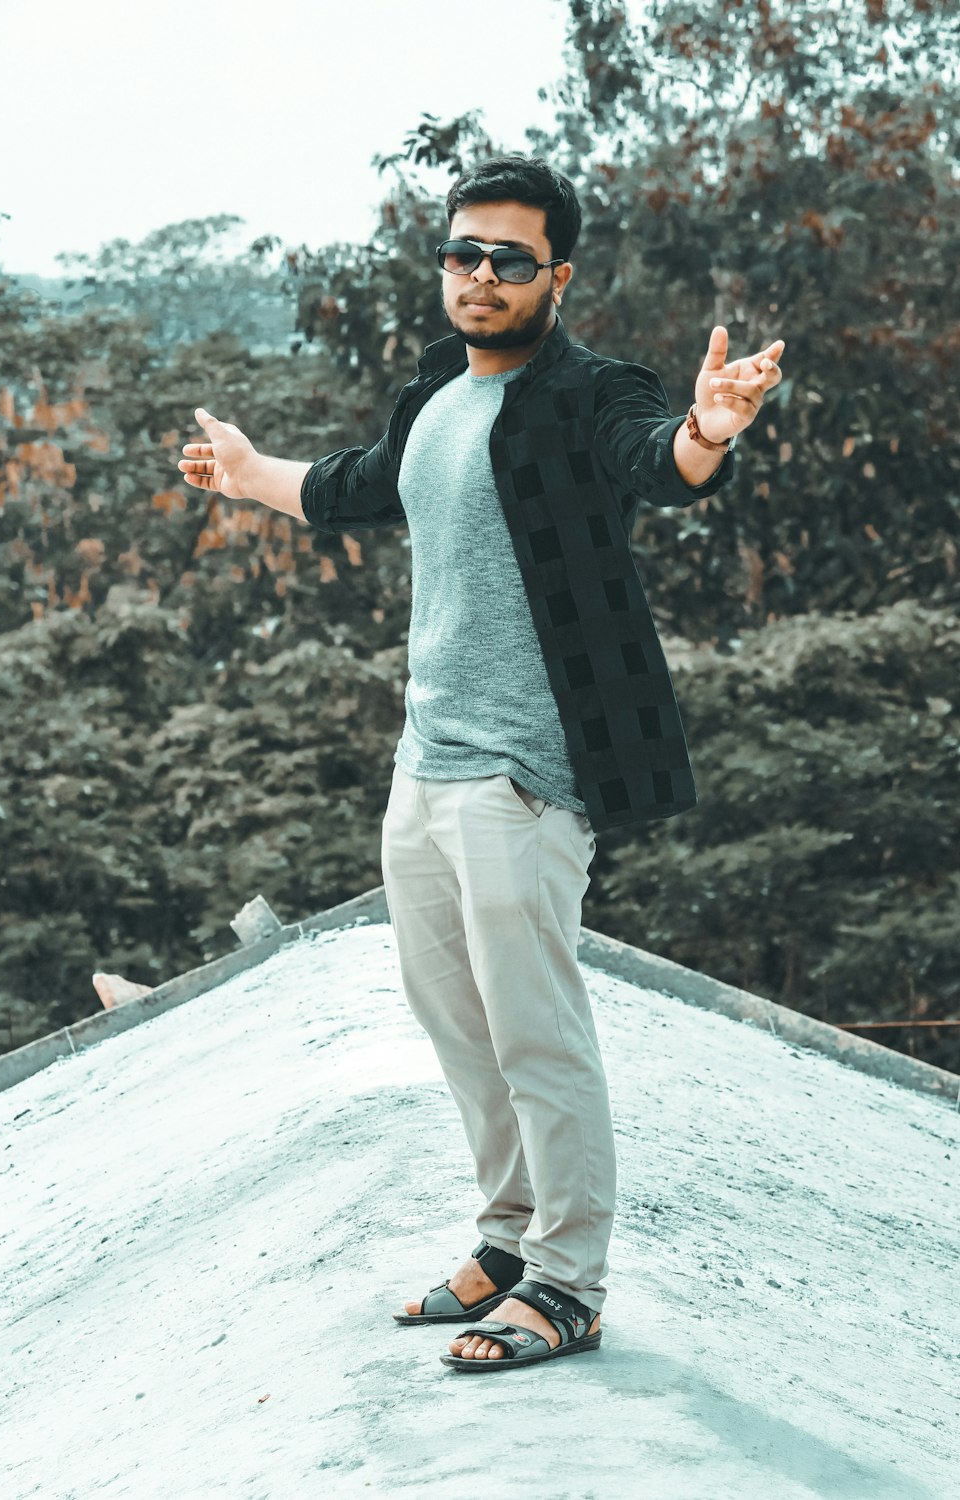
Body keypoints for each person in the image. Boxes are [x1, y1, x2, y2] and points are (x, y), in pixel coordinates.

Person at [177, 155, 784, 1373]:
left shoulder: (588, 393)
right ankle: (506, 1244)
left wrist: (706, 433)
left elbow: (650, 461)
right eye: (463, 254)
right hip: (427, 768)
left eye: (510, 260)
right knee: (456, 1024)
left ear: (556, 275)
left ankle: (567, 1282)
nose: (480, 277)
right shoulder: (434, 399)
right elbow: (355, 486)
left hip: (532, 773)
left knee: (535, 1031)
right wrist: (248, 476)